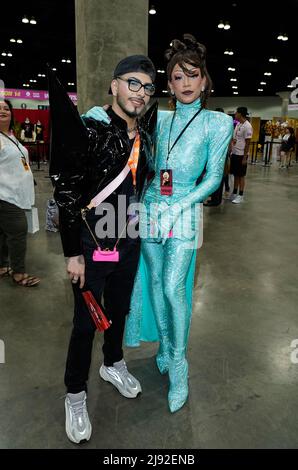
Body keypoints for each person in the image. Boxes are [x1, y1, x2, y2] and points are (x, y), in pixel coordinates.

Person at [49, 55, 157, 443]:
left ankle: (113, 363)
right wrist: (72, 253)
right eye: (132, 83)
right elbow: (66, 193)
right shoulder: (92, 130)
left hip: (128, 242)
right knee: (84, 324)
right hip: (91, 248)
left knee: (120, 309)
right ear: (114, 85)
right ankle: (75, 395)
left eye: (147, 87)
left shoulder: (146, 136)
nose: (139, 93)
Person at [124, 34, 233, 413]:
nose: (185, 83)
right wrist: (94, 114)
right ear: (168, 84)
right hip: (151, 208)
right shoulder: (160, 117)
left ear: (204, 80)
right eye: (176, 77)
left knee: (173, 287)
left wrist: (181, 205)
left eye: (192, 75)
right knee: (154, 280)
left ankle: (180, 364)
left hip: (184, 211)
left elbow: (214, 177)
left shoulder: (218, 124)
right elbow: (125, 121)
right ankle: (166, 350)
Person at [0, 99, 40, 286]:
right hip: (4, 195)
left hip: (16, 193)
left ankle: (3, 265)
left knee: (3, 232)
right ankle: (19, 273)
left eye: (6, 108)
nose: (3, 111)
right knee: (18, 231)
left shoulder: (11, 136)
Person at [230, 106, 253, 204]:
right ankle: (234, 193)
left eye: (236, 113)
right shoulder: (238, 124)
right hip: (235, 153)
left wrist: (244, 157)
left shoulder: (248, 126)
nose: (235, 114)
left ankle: (241, 195)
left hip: (241, 155)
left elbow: (248, 143)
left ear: (240, 114)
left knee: (241, 175)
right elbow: (235, 138)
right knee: (235, 174)